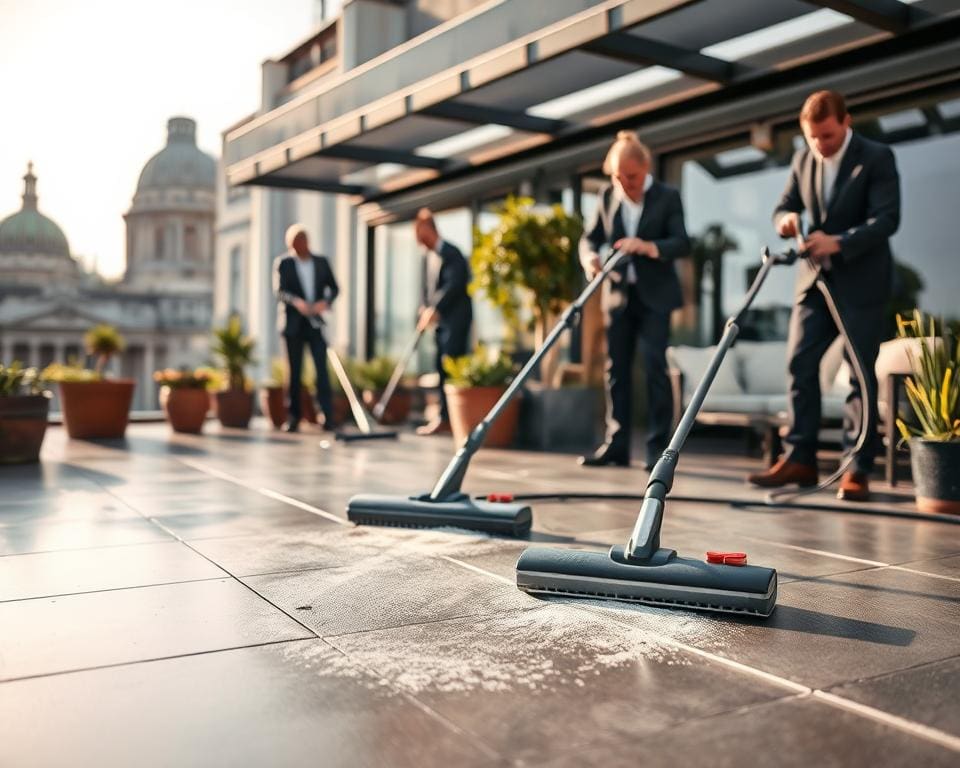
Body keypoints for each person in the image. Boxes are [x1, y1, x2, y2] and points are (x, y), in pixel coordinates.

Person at [747, 90, 901, 501]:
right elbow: (781, 208)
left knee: (859, 373)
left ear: (846, 122)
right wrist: (786, 220)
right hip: (813, 281)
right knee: (799, 362)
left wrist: (840, 241)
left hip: (861, 282)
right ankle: (800, 456)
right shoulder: (802, 160)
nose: (821, 145)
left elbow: (887, 219)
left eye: (828, 136)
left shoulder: (877, 157)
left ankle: (858, 467)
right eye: (813, 137)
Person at [579, 131, 690, 470]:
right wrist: (589, 259)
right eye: (618, 177)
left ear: (646, 168)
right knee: (616, 371)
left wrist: (647, 247)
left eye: (631, 176)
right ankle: (618, 444)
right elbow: (590, 238)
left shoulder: (667, 197)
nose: (625, 184)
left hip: (655, 297)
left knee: (655, 366)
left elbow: (682, 243)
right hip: (618, 298)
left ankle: (658, 449)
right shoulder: (607, 197)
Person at [273, 224, 339, 433]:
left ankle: (327, 416)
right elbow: (280, 291)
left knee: (321, 369)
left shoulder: (321, 263)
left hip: (315, 323)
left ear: (305, 242)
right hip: (293, 324)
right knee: (294, 372)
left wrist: (324, 303)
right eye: (291, 246)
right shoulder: (283, 263)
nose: (295, 249)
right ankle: (294, 416)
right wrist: (297, 302)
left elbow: (334, 288)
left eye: (297, 244)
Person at [414, 208, 473, 436]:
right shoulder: (428, 257)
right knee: (440, 366)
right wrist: (424, 308)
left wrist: (435, 309)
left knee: (452, 367)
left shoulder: (452, 253)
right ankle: (444, 417)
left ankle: (456, 418)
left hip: (456, 323)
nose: (419, 241)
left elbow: (454, 286)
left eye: (421, 234)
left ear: (430, 229)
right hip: (440, 324)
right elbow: (427, 289)